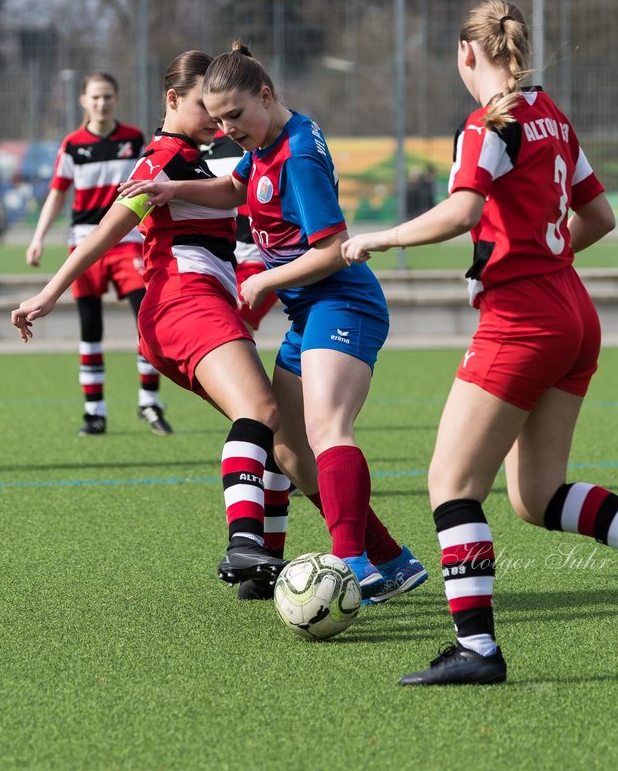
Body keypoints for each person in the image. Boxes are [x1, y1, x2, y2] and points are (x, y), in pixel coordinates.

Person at [341, 0, 618, 686]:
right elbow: (599, 216)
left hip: (523, 320)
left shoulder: (489, 122)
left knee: (452, 485)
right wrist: (546, 265)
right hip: (573, 312)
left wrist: (379, 237)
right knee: (536, 495)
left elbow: (463, 211)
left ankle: (478, 651)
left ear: (467, 55)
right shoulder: (549, 111)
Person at [120, 42, 428, 606]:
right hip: (309, 311)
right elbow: (235, 189)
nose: (229, 129)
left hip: (343, 304)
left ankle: (353, 567)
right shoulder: (264, 143)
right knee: (287, 450)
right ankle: (392, 560)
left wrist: (265, 281)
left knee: (326, 428)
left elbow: (336, 250)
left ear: (266, 94)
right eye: (218, 121)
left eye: (236, 116)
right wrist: (173, 188)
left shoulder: (298, 156)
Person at [13, 51, 287, 588]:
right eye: (203, 104)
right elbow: (107, 229)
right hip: (183, 302)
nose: (215, 116)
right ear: (172, 100)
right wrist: (49, 293)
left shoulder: (198, 157)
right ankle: (245, 545)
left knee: (274, 431)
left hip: (199, 303)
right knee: (262, 408)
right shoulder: (162, 156)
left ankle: (264, 566)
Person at [26, 72, 171, 437]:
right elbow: (58, 194)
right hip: (84, 245)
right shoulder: (73, 144)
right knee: (90, 329)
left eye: (107, 96)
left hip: (126, 244)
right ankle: (95, 412)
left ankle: (149, 403)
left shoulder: (133, 139)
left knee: (146, 323)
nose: (101, 103)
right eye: (95, 97)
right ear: (83, 101)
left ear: (116, 99)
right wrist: (38, 237)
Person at [201, 131, 278, 331]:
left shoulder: (263, 133)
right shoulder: (194, 139)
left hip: (256, 260)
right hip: (211, 260)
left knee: (229, 329)